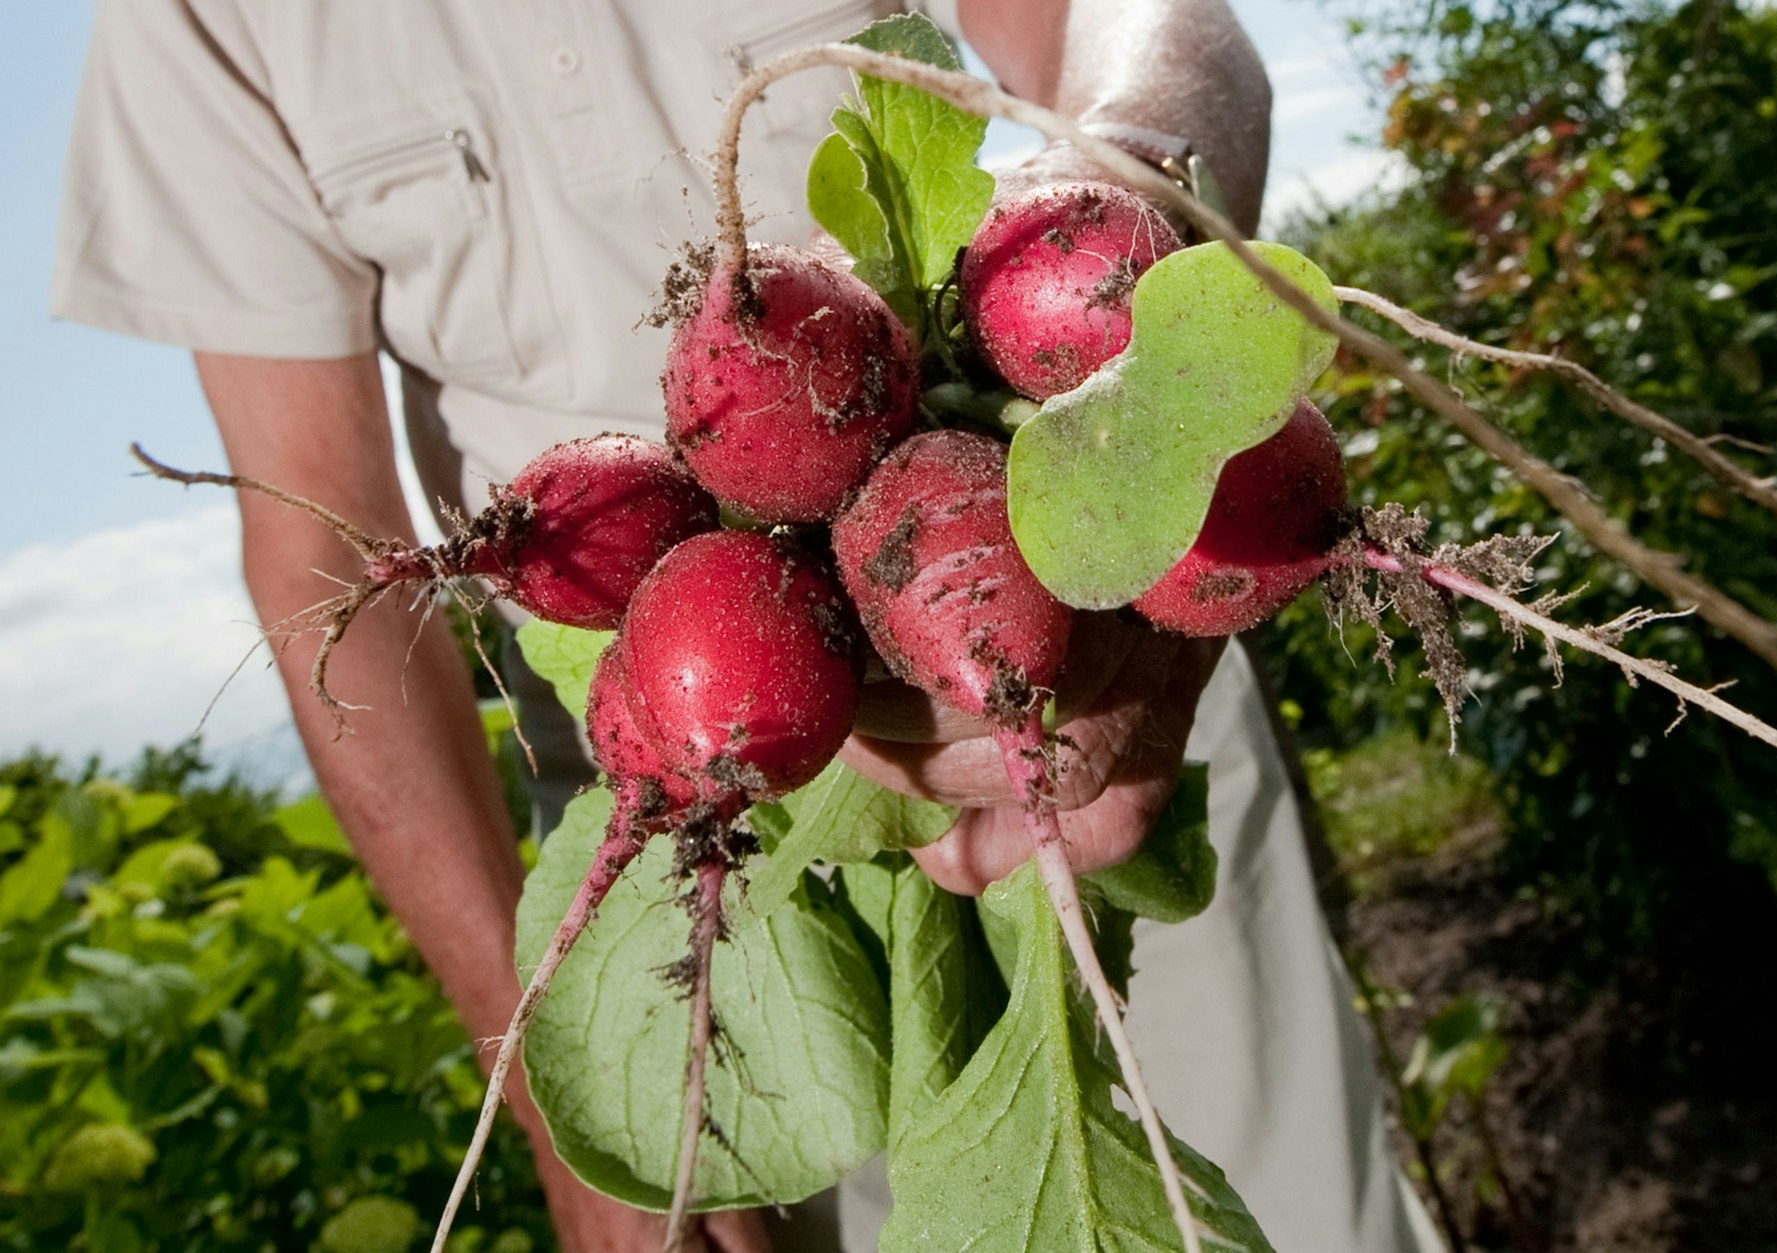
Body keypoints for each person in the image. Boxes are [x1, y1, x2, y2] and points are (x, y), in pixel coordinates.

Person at [55, 2, 1443, 1250]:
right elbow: (319, 559)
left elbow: (1151, 20)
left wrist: (1123, 195)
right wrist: (548, 1085)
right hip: (680, 821)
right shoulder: (194, 23)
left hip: (1106, 673)